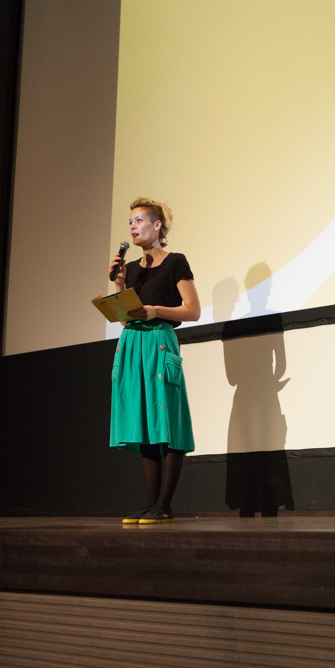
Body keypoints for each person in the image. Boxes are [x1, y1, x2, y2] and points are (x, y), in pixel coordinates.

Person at [109, 197, 200, 524]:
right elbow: (124, 319)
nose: (132, 227)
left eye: (138, 221)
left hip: (160, 343)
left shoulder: (175, 262)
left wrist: (156, 311)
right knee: (144, 424)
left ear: (157, 225)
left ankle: (165, 505)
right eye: (130, 223)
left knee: (168, 423)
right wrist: (120, 283)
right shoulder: (131, 269)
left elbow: (193, 310)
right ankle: (150, 505)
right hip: (133, 344)